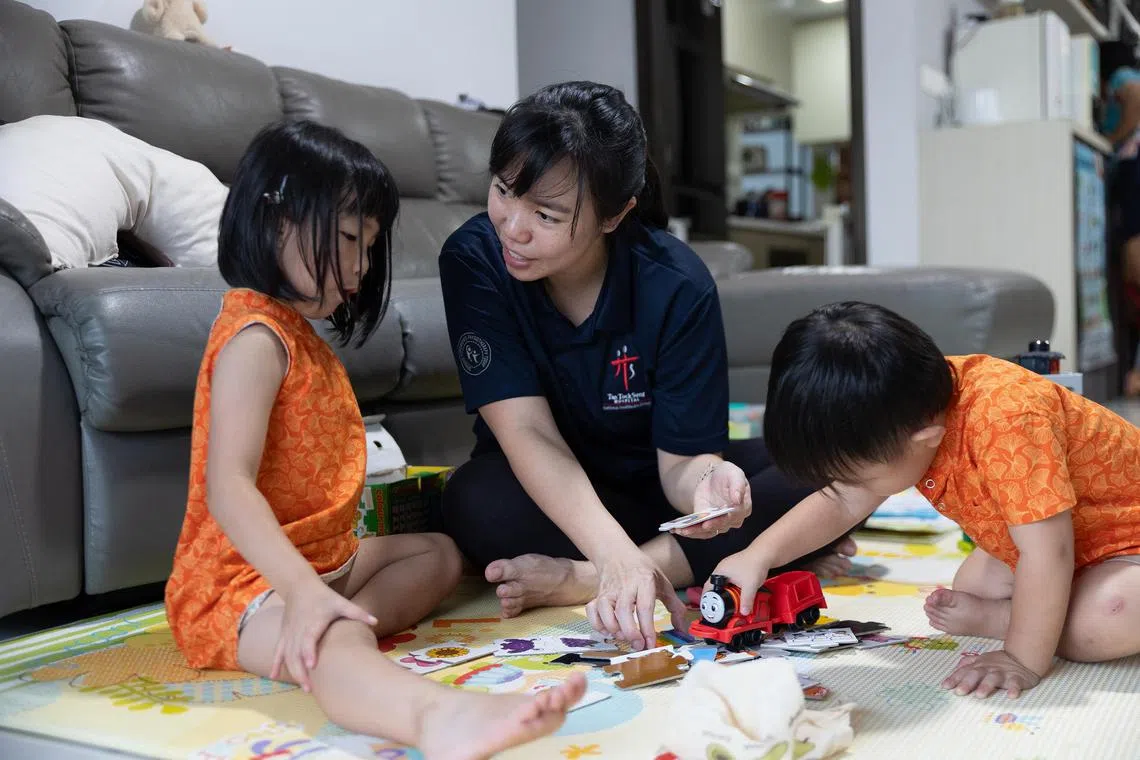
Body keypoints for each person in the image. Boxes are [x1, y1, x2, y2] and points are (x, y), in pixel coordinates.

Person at [163, 120, 584, 759]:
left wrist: (320, 582)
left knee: (439, 555)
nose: (361, 266)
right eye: (349, 241)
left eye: (371, 246)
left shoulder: (297, 335)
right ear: (277, 221)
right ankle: (428, 711)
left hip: (323, 561)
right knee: (332, 638)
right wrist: (304, 595)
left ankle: (337, 623)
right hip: (243, 584)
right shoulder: (254, 339)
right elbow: (227, 486)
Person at [437, 81, 856, 652]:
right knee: (472, 499)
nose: (513, 227)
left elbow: (683, 462)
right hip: (548, 493)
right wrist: (612, 550)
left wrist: (709, 489)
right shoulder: (473, 259)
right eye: (503, 191)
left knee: (838, 464)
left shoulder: (676, 283)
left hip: (655, 494)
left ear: (614, 216)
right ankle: (681, 561)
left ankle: (586, 577)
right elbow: (526, 432)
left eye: (546, 214)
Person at [707, 301, 1140, 700]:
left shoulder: (1008, 419)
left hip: (1123, 545)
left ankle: (1002, 619)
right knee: (973, 585)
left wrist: (1020, 656)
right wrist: (757, 555)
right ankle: (1016, 612)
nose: (852, 487)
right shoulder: (910, 408)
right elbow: (841, 500)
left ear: (926, 439)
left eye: (862, 476)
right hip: (1049, 538)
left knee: (1111, 614)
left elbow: (1051, 550)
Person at [1100, 41, 1140, 395]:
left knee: (1133, 267)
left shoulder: (1123, 76)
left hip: (1132, 171)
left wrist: (1112, 139)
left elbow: (1134, 97)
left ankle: (1134, 373)